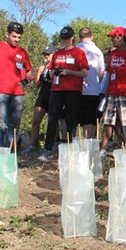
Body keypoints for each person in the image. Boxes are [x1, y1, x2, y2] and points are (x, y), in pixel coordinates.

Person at [39, 27, 88, 161]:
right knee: (52, 117)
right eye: (62, 39)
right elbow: (49, 73)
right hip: (56, 89)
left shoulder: (79, 53)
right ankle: (48, 148)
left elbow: (84, 73)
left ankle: (71, 146)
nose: (64, 41)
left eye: (67, 38)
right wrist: (54, 72)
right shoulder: (56, 54)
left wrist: (69, 72)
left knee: (70, 118)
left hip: (73, 90)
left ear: (72, 37)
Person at [100, 26, 126, 155]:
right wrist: (103, 92)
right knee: (108, 122)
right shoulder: (113, 54)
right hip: (112, 93)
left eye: (115, 37)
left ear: (122, 38)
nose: (112, 40)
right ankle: (103, 150)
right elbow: (108, 74)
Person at [22, 45, 56, 155]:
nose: (46, 56)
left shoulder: (57, 66)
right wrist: (41, 76)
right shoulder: (42, 68)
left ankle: (51, 145)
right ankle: (32, 145)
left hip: (54, 95)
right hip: (43, 95)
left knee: (53, 121)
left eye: (48, 54)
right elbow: (37, 85)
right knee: (36, 121)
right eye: (45, 54)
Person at [75, 27, 105, 139]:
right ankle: (90, 145)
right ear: (91, 36)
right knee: (91, 120)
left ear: (79, 37)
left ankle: (77, 145)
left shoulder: (76, 49)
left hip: (78, 90)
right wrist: (97, 84)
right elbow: (102, 71)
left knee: (76, 120)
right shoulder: (98, 51)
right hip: (94, 90)